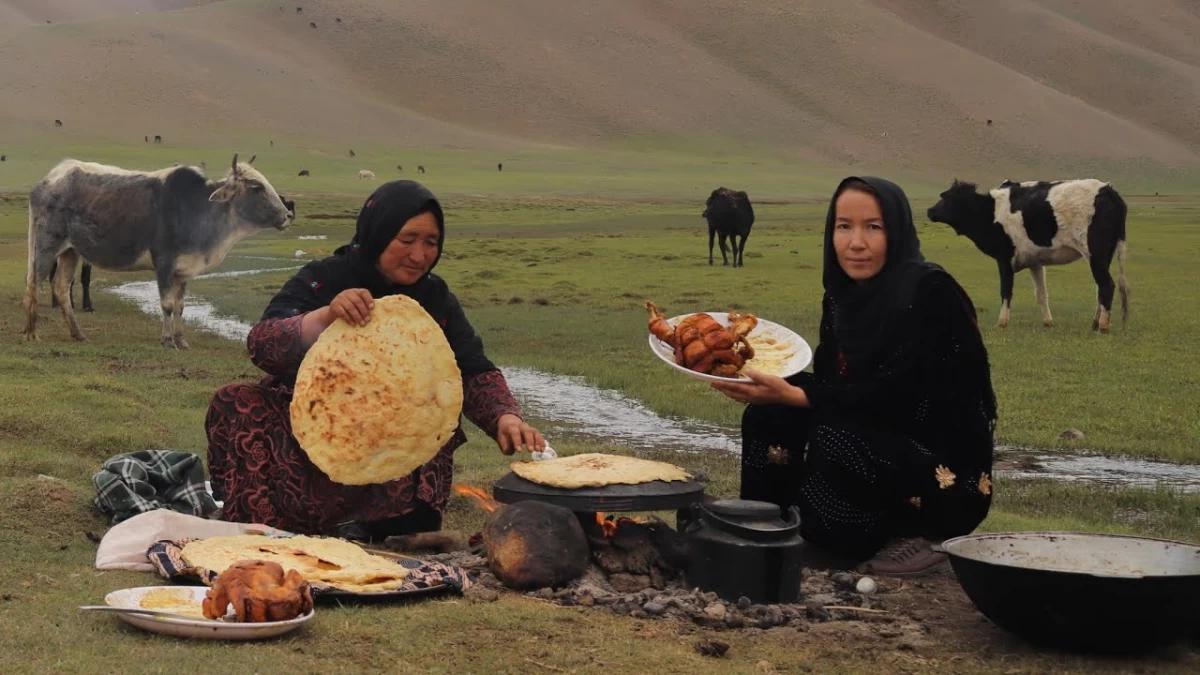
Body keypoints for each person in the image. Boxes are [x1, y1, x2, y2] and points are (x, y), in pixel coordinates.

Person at [206, 180, 544, 539]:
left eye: (431, 242)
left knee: (433, 409)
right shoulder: (324, 279)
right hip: (314, 437)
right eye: (407, 239)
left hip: (388, 451)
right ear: (378, 233)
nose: (419, 255)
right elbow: (261, 344)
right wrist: (324, 318)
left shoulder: (434, 298)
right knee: (235, 401)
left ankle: (391, 526)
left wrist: (504, 416)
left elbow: (472, 369)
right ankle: (263, 526)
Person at [712, 176, 997, 575]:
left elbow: (904, 397)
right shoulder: (842, 295)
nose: (855, 242)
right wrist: (777, 386)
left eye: (873, 227)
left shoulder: (932, 293)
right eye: (844, 226)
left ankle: (912, 535)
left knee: (834, 436)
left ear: (897, 231)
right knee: (768, 414)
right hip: (871, 430)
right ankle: (770, 525)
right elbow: (841, 387)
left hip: (941, 470)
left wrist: (803, 397)